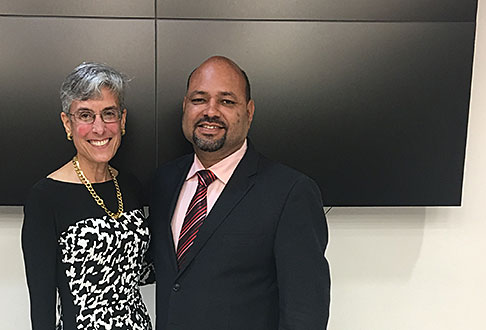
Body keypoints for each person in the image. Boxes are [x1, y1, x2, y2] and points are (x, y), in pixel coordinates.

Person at [148, 56, 330, 330]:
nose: (210, 111)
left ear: (249, 111)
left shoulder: (291, 193)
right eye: (199, 99)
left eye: (226, 101)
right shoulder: (163, 181)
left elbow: (305, 313)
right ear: (185, 107)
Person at [22, 62, 153, 330]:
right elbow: (42, 302)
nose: (99, 128)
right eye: (85, 115)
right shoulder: (45, 197)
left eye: (108, 114)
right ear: (67, 123)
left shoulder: (130, 185)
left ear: (123, 120)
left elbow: (143, 269)